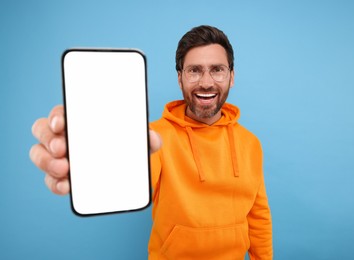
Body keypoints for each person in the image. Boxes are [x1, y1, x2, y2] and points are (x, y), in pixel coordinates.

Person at [30, 25, 273, 259]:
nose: (206, 82)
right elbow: (127, 172)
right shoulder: (154, 138)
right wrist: (90, 160)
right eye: (195, 70)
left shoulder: (250, 143)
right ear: (180, 78)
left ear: (231, 76)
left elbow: (258, 216)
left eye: (217, 69)